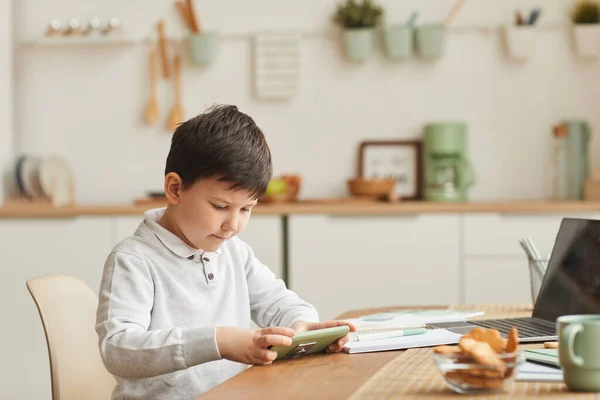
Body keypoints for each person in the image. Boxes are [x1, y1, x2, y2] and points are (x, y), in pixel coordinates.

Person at [95, 104, 355, 400]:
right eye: (220, 207)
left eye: (246, 209)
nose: (233, 224)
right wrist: (217, 341)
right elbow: (118, 349)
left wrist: (301, 326)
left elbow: (278, 301)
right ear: (175, 188)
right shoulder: (134, 261)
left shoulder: (234, 252)